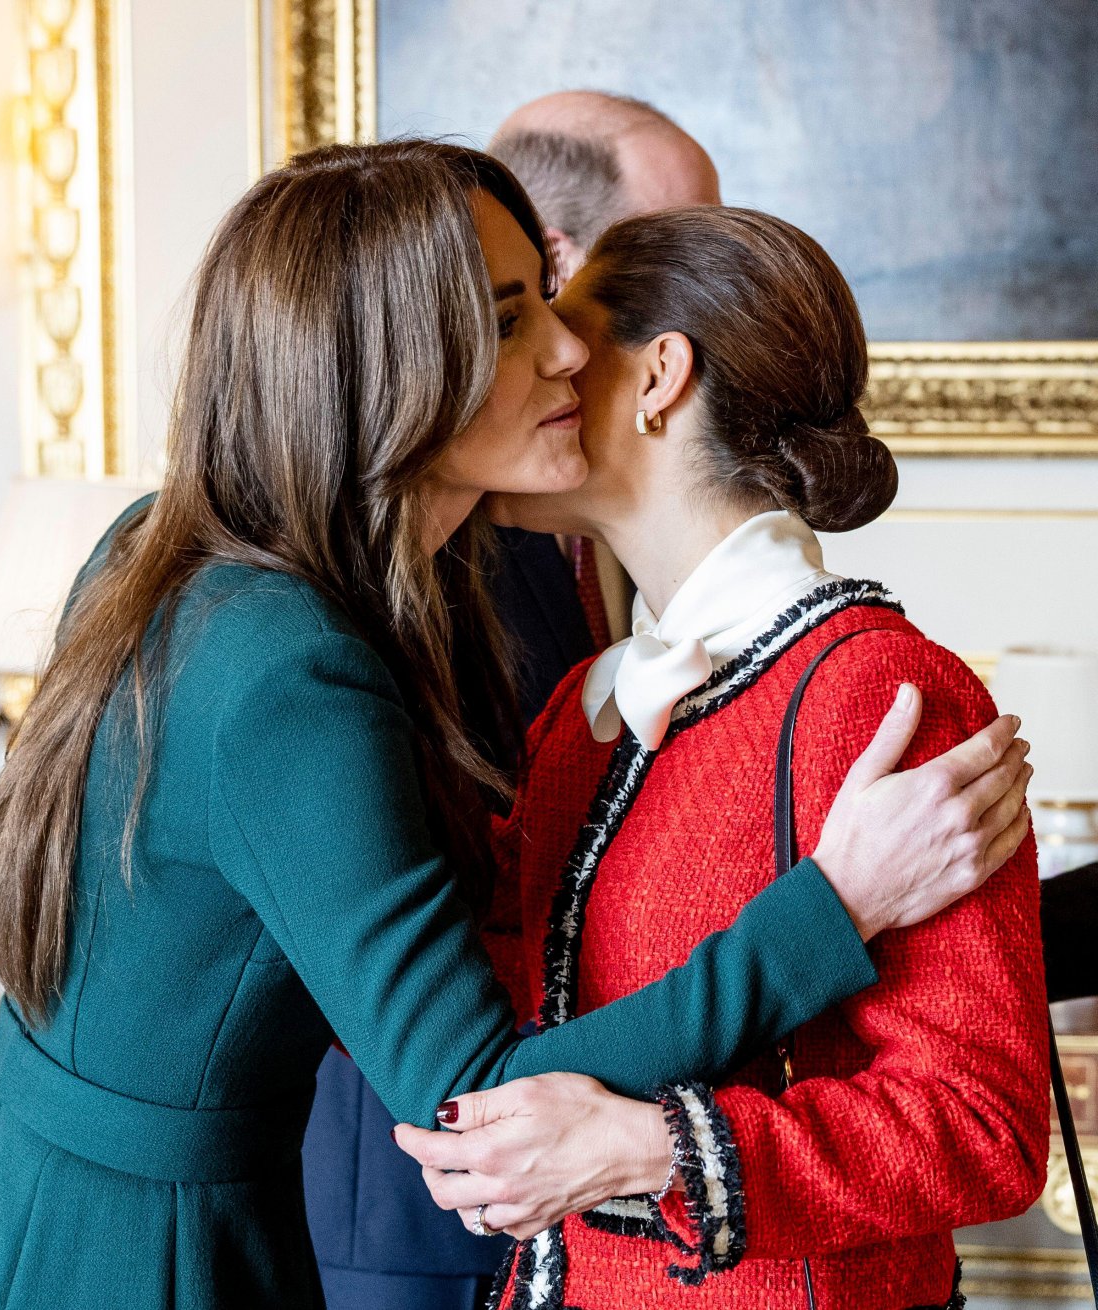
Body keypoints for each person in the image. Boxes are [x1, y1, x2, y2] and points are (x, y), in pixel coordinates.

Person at [0, 145, 1028, 1310]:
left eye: (549, 302)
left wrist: (662, 1143)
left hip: (19, 1217)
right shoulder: (309, 669)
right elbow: (475, 1084)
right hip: (143, 1261)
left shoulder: (174, 548)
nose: (569, 350)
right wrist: (829, 909)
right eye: (510, 316)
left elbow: (977, 1120)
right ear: (389, 365)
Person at [395, 206, 1048, 1310]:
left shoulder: (881, 695)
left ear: (660, 375)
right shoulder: (581, 712)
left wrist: (656, 1149)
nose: (536, 370)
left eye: (566, 335)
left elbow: (983, 1129)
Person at [303, 92, 729, 1310]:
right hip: (412, 1202)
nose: (707, 287)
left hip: (585, 1186)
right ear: (560, 274)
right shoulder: (405, 556)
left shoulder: (598, 515)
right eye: (676, 247)